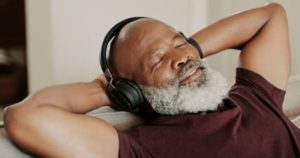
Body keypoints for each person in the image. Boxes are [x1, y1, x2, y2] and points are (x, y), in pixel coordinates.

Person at [3, 3, 300, 158]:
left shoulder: (253, 94)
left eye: (179, 40)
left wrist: (186, 49)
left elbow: (270, 16)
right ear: (133, 90)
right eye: (157, 60)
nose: (181, 57)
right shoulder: (143, 149)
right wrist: (105, 90)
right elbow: (24, 117)